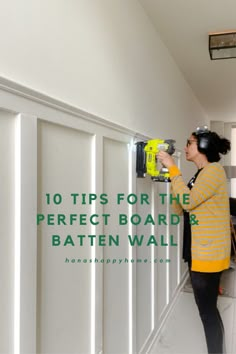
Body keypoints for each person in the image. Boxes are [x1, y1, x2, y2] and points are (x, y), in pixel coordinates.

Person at [157, 127, 231, 354]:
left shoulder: (214, 171)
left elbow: (188, 202)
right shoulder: (198, 175)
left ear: (204, 147)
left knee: (207, 311)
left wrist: (173, 169)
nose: (186, 147)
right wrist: (174, 178)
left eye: (189, 143)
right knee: (207, 309)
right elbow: (179, 208)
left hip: (208, 253)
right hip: (196, 250)